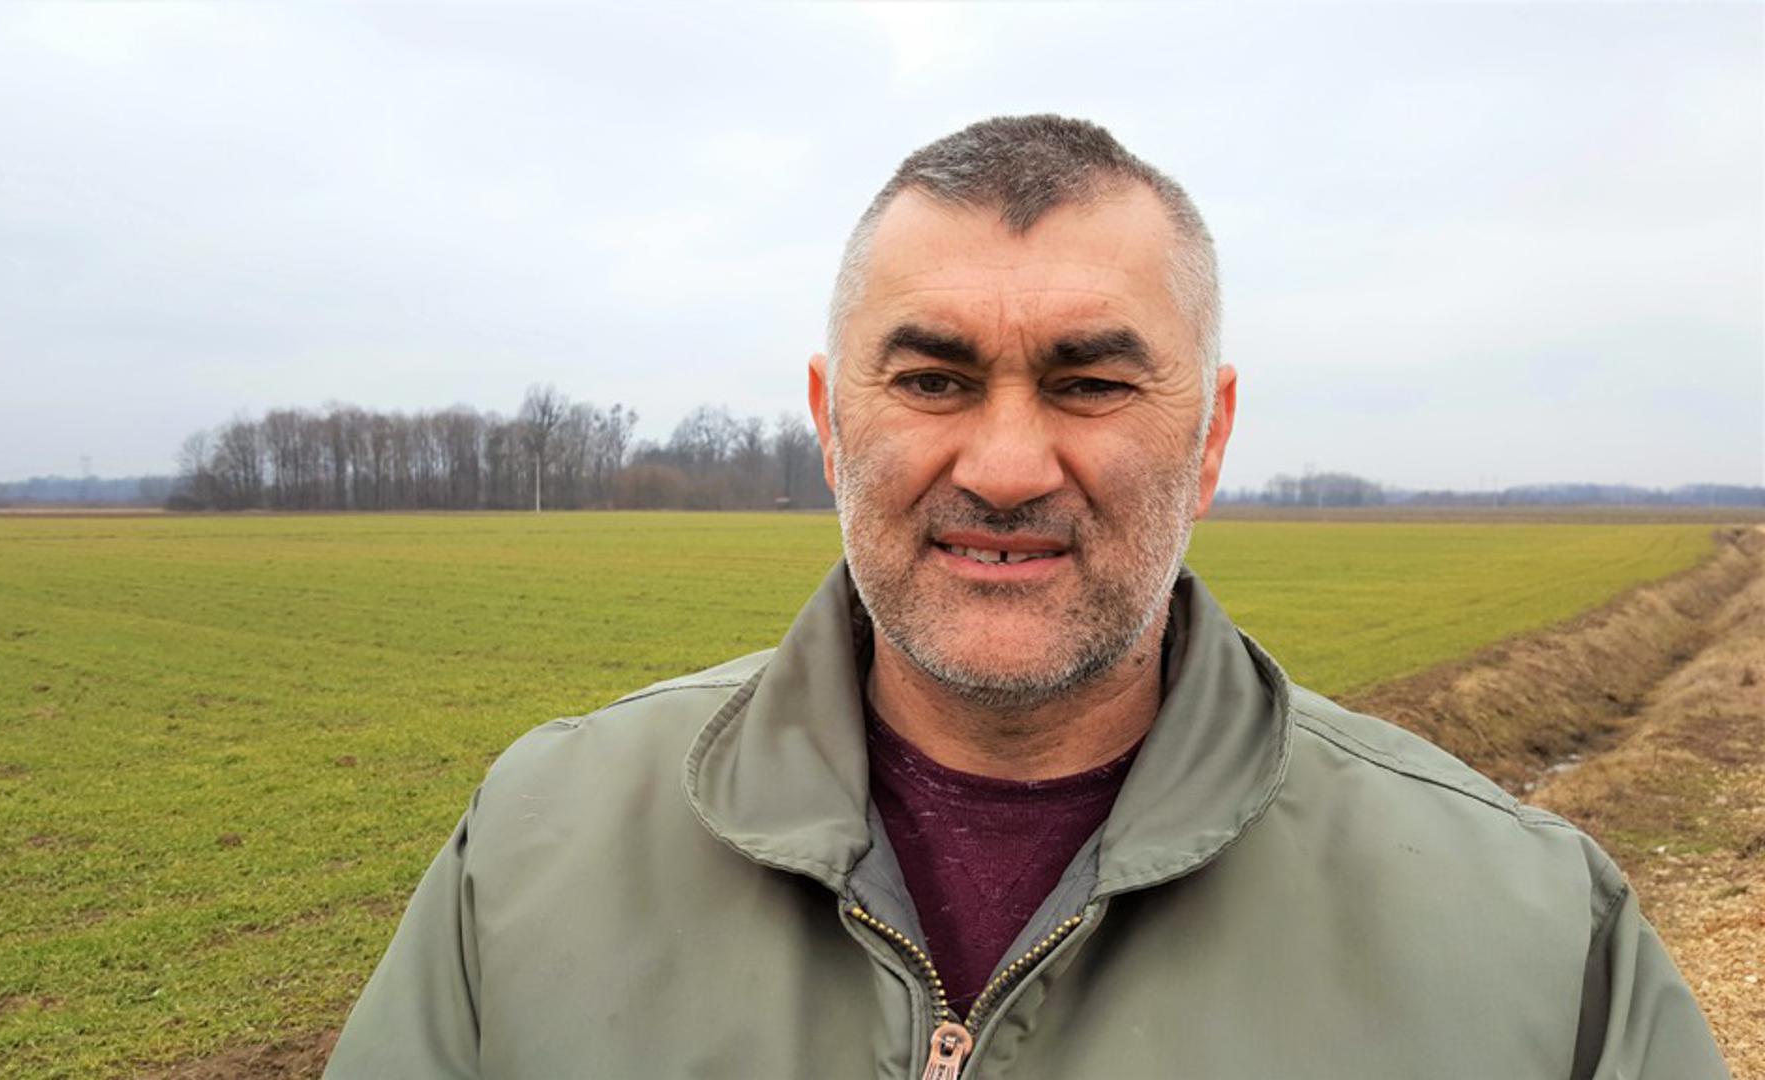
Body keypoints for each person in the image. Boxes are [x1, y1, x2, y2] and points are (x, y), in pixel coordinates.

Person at [325, 115, 1727, 1079]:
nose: (1004, 468)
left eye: (1092, 382)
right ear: (830, 424)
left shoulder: (1533, 935)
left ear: (1212, 437)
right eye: (932, 379)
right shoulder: (536, 853)